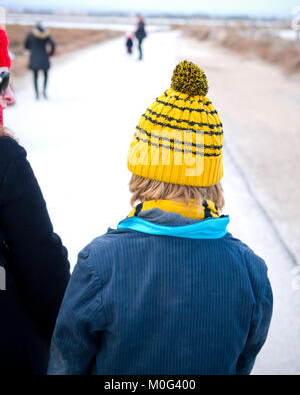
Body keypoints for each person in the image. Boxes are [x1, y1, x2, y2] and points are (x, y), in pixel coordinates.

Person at [48, 60, 273, 375]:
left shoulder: (100, 264)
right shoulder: (251, 272)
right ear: (211, 177)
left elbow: (65, 365)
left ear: (142, 168)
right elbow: (241, 366)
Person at [0, 27, 70, 375]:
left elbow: (29, 45)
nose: (10, 95)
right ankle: (42, 90)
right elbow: (44, 266)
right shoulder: (3, 158)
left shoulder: (31, 38)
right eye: (1, 80)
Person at [24, 23, 55, 99]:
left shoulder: (30, 34)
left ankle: (37, 94)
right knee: (46, 75)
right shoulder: (46, 34)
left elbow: (26, 46)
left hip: (34, 57)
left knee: (35, 76)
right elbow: (53, 44)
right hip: (44, 57)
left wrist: (32, 48)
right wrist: (50, 54)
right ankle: (44, 92)